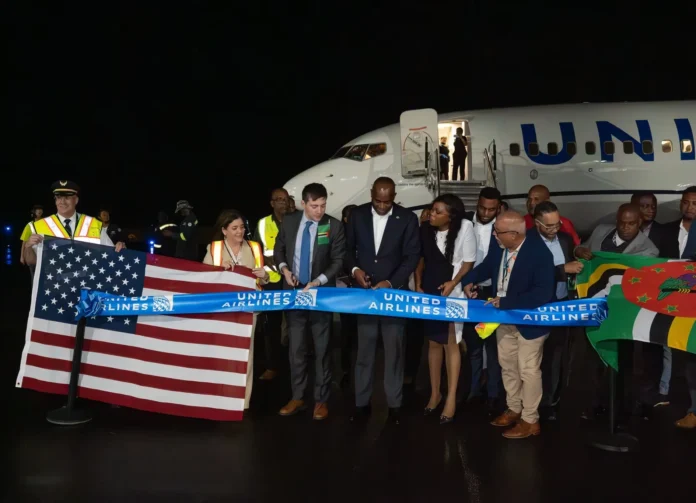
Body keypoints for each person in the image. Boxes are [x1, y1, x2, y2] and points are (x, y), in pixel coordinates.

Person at [461, 211, 556, 439]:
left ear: (514, 234)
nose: (494, 235)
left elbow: (543, 294)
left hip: (529, 323)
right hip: (502, 319)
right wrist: (468, 280)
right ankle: (514, 408)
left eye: (498, 232)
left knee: (528, 370)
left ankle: (530, 420)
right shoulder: (500, 247)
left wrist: (507, 302)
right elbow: (485, 268)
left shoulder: (540, 254)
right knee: (508, 365)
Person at [345, 177, 420, 424]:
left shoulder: (407, 219)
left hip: (393, 296)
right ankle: (361, 404)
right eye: (377, 201)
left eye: (387, 202)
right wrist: (355, 269)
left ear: (394, 196)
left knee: (394, 353)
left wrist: (390, 282)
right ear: (371, 195)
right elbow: (347, 250)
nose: (382, 206)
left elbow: (411, 257)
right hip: (365, 295)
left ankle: (395, 406)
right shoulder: (357, 216)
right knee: (364, 353)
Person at [574, 203, 659, 420]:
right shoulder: (601, 231)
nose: (626, 228)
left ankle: (619, 408)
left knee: (623, 362)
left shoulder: (648, 250)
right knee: (594, 359)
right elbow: (581, 249)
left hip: (623, 314)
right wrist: (579, 251)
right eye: (622, 223)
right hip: (596, 307)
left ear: (639, 223)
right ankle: (595, 404)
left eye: (631, 224)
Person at [274, 183, 345, 420]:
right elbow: (279, 249)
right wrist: (284, 270)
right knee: (296, 349)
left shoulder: (333, 225)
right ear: (304, 203)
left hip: (320, 296)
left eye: (323, 205)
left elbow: (337, 261)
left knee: (323, 349)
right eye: (314, 206)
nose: (319, 211)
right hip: (293, 295)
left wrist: (318, 281)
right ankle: (297, 397)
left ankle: (321, 400)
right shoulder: (290, 221)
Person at [414, 194, 476, 423]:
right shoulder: (425, 229)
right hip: (429, 286)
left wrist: (454, 282)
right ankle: (435, 393)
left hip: (452, 289)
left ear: (451, 216)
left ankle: (451, 398)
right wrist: (418, 283)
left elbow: (469, 261)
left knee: (451, 342)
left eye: (438, 212)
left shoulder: (465, 227)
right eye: (432, 209)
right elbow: (420, 259)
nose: (432, 214)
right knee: (432, 341)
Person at [202, 209, 269, 410]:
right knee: (223, 353)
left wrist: (264, 275)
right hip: (222, 310)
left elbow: (264, 279)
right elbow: (203, 277)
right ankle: (221, 396)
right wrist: (218, 269)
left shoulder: (255, 247)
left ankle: (243, 401)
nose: (239, 232)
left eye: (241, 227)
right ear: (224, 230)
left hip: (249, 309)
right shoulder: (214, 249)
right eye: (234, 228)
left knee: (246, 355)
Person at [529, 201, 583, 421]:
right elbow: (529, 273)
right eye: (549, 226)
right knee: (532, 358)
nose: (554, 230)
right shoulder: (527, 241)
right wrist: (563, 269)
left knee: (557, 355)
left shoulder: (565, 238)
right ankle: (531, 401)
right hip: (536, 308)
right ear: (537, 223)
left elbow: (573, 264)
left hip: (561, 305)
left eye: (557, 224)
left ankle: (551, 400)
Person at [22, 181, 126, 275]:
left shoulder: (93, 223)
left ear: (76, 200)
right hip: (55, 290)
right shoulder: (39, 226)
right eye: (58, 197)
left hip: (87, 289)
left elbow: (111, 255)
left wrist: (120, 249)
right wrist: (28, 247)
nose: (62, 202)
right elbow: (31, 261)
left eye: (67, 197)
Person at [463, 187, 504, 412]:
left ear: (498, 208)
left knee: (492, 346)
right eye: (482, 208)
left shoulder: (504, 229)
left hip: (492, 295)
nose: (486, 213)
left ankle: (493, 395)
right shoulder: (464, 223)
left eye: (491, 209)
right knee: (473, 346)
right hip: (469, 293)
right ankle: (472, 391)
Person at [659, 186, 696, 429]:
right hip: (684, 301)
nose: (690, 207)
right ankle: (693, 411)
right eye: (687, 202)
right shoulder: (670, 230)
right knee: (690, 357)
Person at [253, 188, 290, 381]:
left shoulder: (296, 220)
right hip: (272, 281)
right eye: (279, 200)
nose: (283, 203)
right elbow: (258, 251)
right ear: (272, 203)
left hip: (293, 281)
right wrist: (277, 268)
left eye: (285, 199)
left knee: (296, 323)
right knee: (272, 326)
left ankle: (295, 362)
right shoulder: (263, 224)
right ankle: (273, 366)